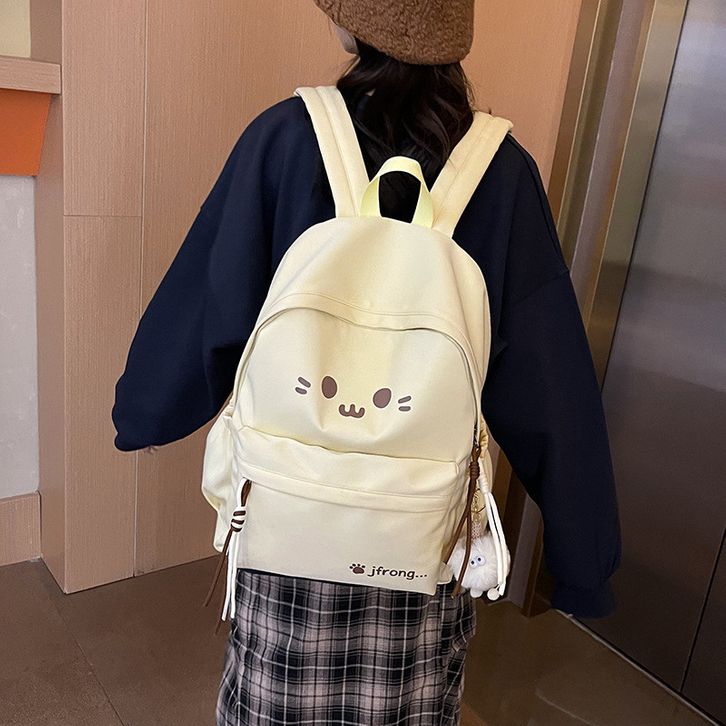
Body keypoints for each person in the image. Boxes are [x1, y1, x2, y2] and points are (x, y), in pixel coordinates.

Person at [112, 1, 622, 723]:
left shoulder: (285, 140)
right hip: (421, 536)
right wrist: (583, 557)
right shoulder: (501, 173)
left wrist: (145, 408)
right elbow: (550, 383)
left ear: (351, 26)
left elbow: (207, 301)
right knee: (410, 700)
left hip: (287, 521)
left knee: (274, 697)